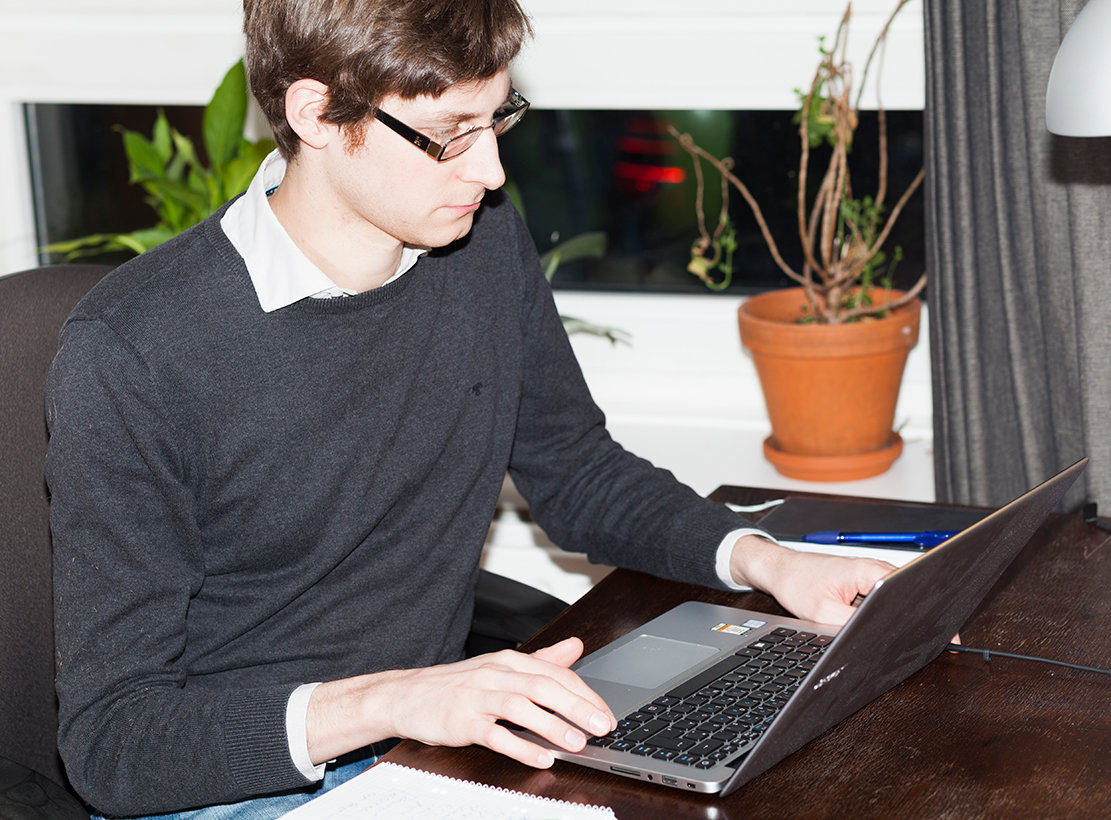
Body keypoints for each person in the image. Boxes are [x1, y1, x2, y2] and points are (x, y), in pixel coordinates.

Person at [45, 0, 893, 816]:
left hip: (426, 752)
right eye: (450, 135)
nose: (488, 173)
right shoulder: (135, 350)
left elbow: (577, 472)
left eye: (496, 120)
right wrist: (394, 701)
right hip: (236, 789)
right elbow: (116, 746)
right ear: (315, 114)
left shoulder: (477, 242)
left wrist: (767, 561)